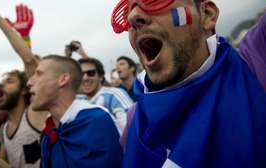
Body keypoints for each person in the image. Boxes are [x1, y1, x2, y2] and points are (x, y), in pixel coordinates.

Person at [111, 0, 266, 167]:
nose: (133, 16)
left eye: (154, 1)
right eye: (127, 10)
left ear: (206, 15)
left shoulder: (255, 62)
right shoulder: (134, 122)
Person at [0, 2, 48, 167]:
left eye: (9, 81)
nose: (0, 86)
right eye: (1, 82)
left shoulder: (36, 113)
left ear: (24, 90)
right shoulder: (4, 130)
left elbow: (28, 59)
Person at [27, 55, 122, 168]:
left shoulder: (97, 121)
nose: (29, 82)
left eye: (38, 74)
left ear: (63, 79)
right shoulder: (49, 133)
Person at [78, 57, 133, 134]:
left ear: (100, 77)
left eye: (90, 73)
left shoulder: (114, 95)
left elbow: (132, 130)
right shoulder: (77, 101)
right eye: (81, 74)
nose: (85, 78)